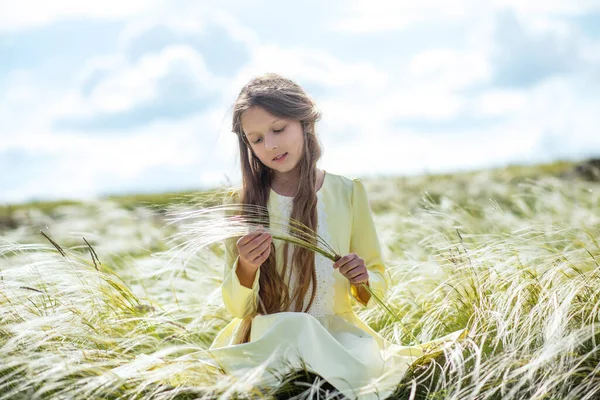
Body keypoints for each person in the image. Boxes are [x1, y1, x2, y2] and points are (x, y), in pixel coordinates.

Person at [206, 73, 464, 399]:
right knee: (296, 328)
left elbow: (377, 278)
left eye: (278, 129)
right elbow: (236, 307)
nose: (270, 145)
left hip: (337, 335)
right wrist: (246, 266)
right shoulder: (241, 203)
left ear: (305, 123)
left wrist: (361, 278)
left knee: (362, 366)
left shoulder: (347, 191)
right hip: (270, 336)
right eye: (256, 139)